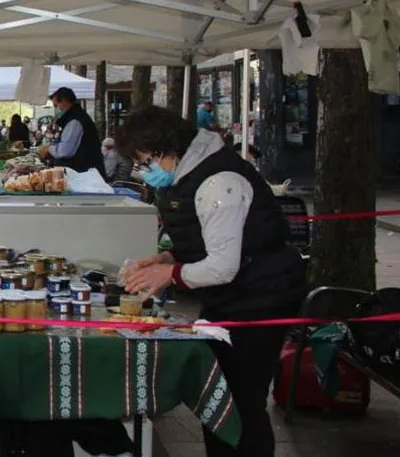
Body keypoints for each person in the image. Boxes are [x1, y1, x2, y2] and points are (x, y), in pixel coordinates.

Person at [115, 106, 306, 457]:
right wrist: (169, 258)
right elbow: (213, 241)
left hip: (261, 298)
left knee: (241, 401)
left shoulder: (220, 182)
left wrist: (170, 274)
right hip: (234, 297)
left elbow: (222, 266)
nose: (145, 171)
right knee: (220, 397)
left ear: (168, 148)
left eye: (146, 161)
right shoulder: (190, 176)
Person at [39, 87, 105, 177]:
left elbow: (64, 151)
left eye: (56, 105)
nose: (56, 109)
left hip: (86, 175)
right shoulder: (76, 117)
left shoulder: (75, 121)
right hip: (86, 173)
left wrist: (48, 149)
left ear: (64, 101)